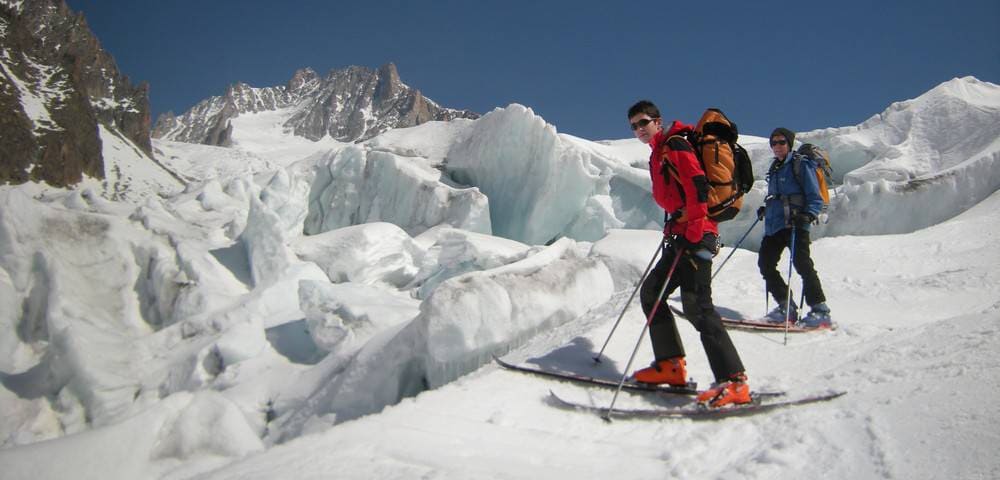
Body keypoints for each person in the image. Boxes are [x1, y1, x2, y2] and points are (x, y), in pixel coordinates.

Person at [627, 100, 750, 408]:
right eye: (634, 126)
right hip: (682, 233)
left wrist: (694, 229)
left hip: (697, 234)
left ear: (658, 121)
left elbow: (696, 186)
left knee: (698, 306)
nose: (639, 129)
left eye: (643, 122)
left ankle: (734, 382)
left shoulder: (676, 144)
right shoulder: (660, 150)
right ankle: (670, 365)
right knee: (652, 293)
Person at [756, 127, 832, 327]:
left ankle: (820, 309)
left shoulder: (801, 164)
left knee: (802, 264)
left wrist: (808, 214)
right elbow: (778, 196)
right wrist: (767, 208)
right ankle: (786, 306)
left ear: (789, 144)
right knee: (765, 264)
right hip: (775, 225)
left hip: (796, 223)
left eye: (781, 142)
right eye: (773, 143)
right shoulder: (775, 168)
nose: (777, 147)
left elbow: (814, 196)